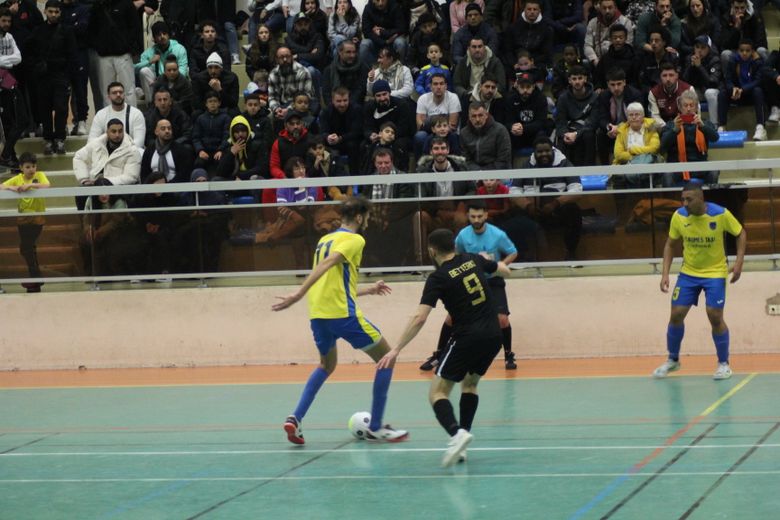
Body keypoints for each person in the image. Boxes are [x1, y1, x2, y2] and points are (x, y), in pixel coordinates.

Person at [272, 195, 409, 444]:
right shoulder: (355, 239)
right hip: (342, 316)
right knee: (387, 357)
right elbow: (329, 263)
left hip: (318, 315)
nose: (366, 221)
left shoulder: (326, 239)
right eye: (365, 217)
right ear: (359, 217)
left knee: (326, 365)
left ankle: (295, 418)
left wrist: (368, 290)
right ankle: (376, 426)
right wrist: (298, 293)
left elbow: (334, 283)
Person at [377, 228, 511, 467]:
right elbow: (504, 271)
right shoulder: (472, 259)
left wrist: (396, 348)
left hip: (467, 337)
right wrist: (492, 263)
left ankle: (456, 434)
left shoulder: (438, 278)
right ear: (454, 246)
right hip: (493, 335)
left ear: (431, 250)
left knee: (437, 393)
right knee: (470, 385)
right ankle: (463, 443)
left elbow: (420, 317)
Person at [654, 181, 746, 380]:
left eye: (689, 199)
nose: (685, 203)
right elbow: (670, 245)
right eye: (682, 199)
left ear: (701, 198)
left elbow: (740, 233)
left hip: (715, 273)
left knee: (714, 315)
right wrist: (665, 274)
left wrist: (739, 263)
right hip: (689, 273)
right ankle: (673, 360)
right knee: (676, 314)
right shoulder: (679, 217)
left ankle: (723, 364)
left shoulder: (720, 214)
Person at [27, 0, 78, 156]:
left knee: (62, 108)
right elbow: (29, 53)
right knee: (45, 109)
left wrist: (68, 75)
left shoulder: (67, 31)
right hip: (43, 77)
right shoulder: (37, 31)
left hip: (61, 75)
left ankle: (60, 138)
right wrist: (36, 68)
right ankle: (48, 139)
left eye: (56, 12)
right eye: (51, 11)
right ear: (45, 12)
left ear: (60, 12)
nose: (54, 15)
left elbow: (72, 55)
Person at [1, 152, 49, 292]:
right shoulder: (18, 178)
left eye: (33, 166)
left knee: (26, 248)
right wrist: (12, 187)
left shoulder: (39, 176)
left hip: (37, 218)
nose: (31, 169)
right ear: (21, 167)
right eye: (28, 167)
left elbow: (47, 185)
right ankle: (36, 280)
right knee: (28, 248)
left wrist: (30, 186)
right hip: (22, 219)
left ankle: (36, 279)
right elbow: (2, 186)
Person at [659, 89, 719, 186]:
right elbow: (662, 148)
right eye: (685, 105)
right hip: (677, 167)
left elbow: (715, 138)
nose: (688, 109)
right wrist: (674, 130)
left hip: (699, 166)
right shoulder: (671, 124)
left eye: (691, 105)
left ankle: (708, 200)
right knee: (667, 174)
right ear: (680, 107)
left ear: (696, 107)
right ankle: (671, 201)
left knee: (714, 171)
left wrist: (702, 126)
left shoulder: (704, 123)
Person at [717, 38, 766, 141]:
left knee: (758, 91)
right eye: (741, 50)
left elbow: (758, 81)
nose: (744, 53)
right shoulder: (732, 60)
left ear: (752, 51)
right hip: (736, 95)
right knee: (722, 94)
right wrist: (733, 89)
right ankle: (721, 127)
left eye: (747, 51)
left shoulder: (757, 62)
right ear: (738, 51)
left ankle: (760, 127)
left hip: (749, 95)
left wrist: (742, 89)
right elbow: (728, 79)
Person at [74, 118, 141, 189]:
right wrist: (84, 179)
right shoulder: (97, 144)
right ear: (107, 132)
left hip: (120, 188)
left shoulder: (132, 150)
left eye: (120, 131)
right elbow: (79, 157)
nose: (117, 135)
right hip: (96, 185)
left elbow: (130, 177)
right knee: (81, 192)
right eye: (113, 131)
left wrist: (105, 182)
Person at [135, 20, 188, 104]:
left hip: (174, 81)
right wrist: (150, 61)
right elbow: (134, 69)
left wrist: (164, 79)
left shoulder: (179, 48)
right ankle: (151, 104)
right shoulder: (150, 52)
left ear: (168, 35)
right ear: (154, 38)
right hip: (157, 86)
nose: (162, 36)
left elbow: (183, 71)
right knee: (144, 71)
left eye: (164, 33)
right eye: (158, 35)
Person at [88, 82, 146, 152]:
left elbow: (139, 142)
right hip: (107, 154)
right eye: (114, 93)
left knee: (140, 152)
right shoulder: (100, 114)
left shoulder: (136, 114)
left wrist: (121, 153)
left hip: (130, 153)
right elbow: (91, 141)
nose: (118, 95)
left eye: (120, 92)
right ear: (109, 96)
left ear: (124, 95)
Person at [584, 0, 635, 67]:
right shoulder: (592, 23)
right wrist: (595, 60)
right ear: (600, 9)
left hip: (619, 62)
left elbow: (628, 45)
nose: (607, 11)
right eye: (604, 8)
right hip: (597, 62)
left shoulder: (625, 22)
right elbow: (587, 45)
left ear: (615, 8)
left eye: (610, 7)